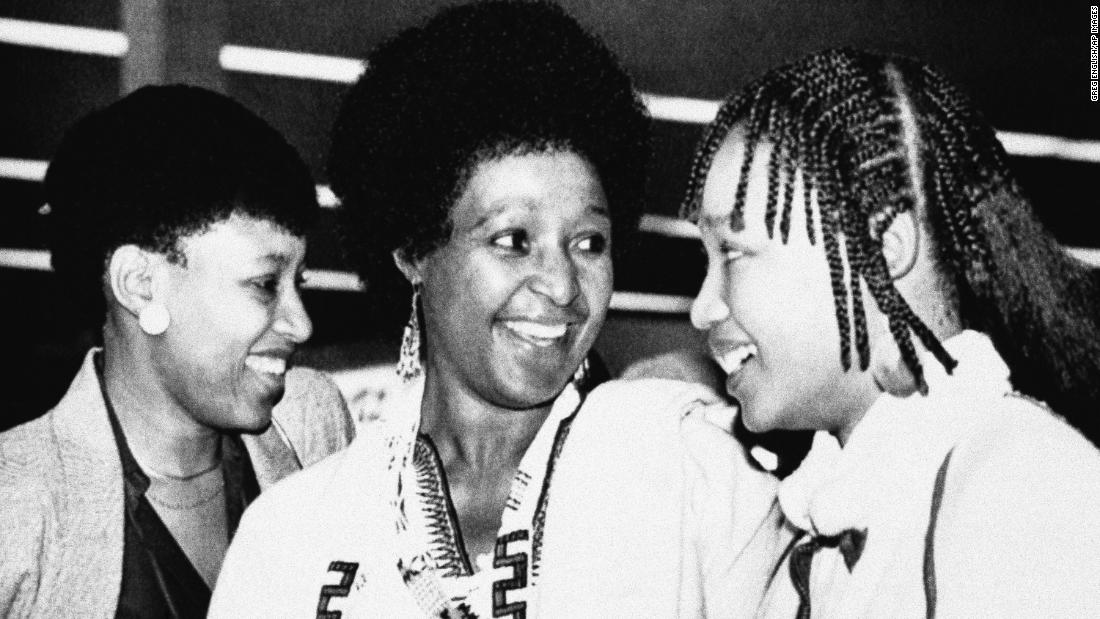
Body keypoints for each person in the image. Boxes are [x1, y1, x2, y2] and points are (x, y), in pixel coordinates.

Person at [210, 2, 780, 617]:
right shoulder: (293, 537)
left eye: (588, 243)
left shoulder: (691, 475)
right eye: (513, 241)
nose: (562, 285)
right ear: (414, 252)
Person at [684, 47, 1100, 616]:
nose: (703, 309)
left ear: (881, 252)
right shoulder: (815, 546)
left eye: (733, 251)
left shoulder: (1026, 494)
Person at [0, 85, 355, 618]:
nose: (300, 323)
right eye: (264, 283)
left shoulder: (310, 426)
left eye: (298, 282)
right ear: (141, 285)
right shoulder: (18, 507)